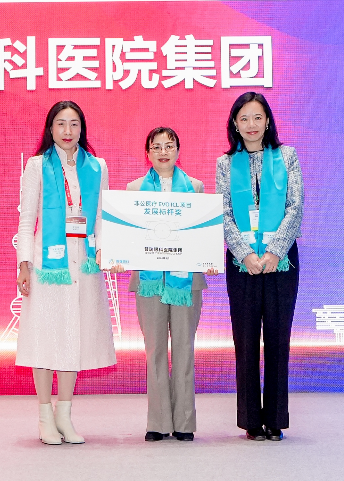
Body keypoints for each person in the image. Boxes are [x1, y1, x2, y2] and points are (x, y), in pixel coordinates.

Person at [15, 100, 115, 445]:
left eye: (74, 124)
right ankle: (45, 415)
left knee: (75, 334)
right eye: (61, 124)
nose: (68, 131)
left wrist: (103, 250)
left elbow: (102, 218)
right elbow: (27, 220)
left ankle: (64, 415)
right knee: (45, 336)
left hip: (84, 263)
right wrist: (23, 264)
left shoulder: (97, 166)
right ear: (50, 128)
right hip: (47, 265)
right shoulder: (36, 166)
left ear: (82, 129)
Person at [122, 126, 217, 443]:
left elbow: (203, 233)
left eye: (169, 146)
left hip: (186, 281)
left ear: (178, 150)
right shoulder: (134, 189)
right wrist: (120, 255)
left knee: (185, 349)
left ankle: (185, 422)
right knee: (155, 351)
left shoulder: (195, 188)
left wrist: (208, 258)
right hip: (149, 282)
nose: (163, 152)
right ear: (147, 152)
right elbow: (127, 235)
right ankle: (158, 421)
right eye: (156, 146)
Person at [217, 92, 303, 441]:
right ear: (234, 125)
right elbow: (224, 214)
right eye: (244, 119)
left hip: (281, 263)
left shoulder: (288, 156)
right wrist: (244, 254)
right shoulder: (225, 164)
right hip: (243, 265)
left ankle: (276, 419)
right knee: (246, 341)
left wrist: (274, 252)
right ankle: (251, 419)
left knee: (278, 340)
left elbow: (295, 207)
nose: (251, 125)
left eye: (257, 117)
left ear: (267, 121)